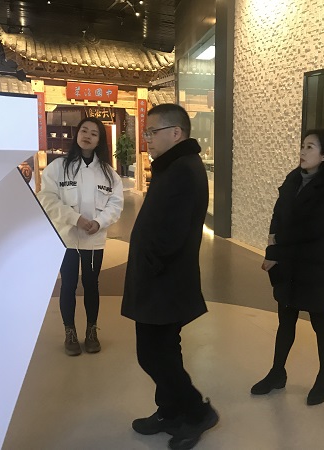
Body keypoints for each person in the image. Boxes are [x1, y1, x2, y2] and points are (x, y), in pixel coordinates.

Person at [121, 103, 218, 450]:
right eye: (146, 132)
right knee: (163, 351)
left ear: (176, 133)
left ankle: (197, 412)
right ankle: (169, 411)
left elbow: (171, 235)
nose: (146, 138)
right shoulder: (174, 166)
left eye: (152, 132)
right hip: (161, 280)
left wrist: (148, 262)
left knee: (153, 355)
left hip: (164, 282)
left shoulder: (183, 170)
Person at [251, 129, 324, 406]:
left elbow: (313, 228)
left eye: (310, 147)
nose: (303, 151)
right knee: (286, 319)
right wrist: (272, 244)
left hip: (317, 266)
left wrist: (277, 247)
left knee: (320, 323)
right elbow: (278, 215)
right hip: (290, 264)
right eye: (303, 146)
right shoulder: (293, 178)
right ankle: (277, 373)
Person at [38, 117, 124, 356]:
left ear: (99, 141)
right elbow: (47, 199)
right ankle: (70, 332)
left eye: (94, 133)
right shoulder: (58, 167)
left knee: (91, 285)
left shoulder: (109, 174)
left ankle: (91, 331)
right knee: (68, 284)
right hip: (66, 239)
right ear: (77, 134)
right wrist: (75, 219)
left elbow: (115, 204)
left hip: (94, 241)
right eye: (84, 131)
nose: (88, 136)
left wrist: (100, 222)